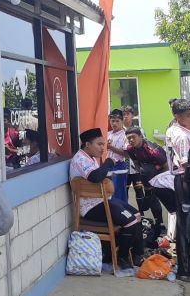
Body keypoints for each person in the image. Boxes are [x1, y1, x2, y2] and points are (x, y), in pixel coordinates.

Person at [69, 128, 145, 268]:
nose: (102, 148)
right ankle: (121, 257)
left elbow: (101, 176)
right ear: (87, 145)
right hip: (90, 207)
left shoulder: (90, 157)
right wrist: (109, 162)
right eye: (99, 144)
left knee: (137, 215)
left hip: (102, 201)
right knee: (130, 222)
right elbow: (95, 176)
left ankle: (138, 254)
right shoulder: (80, 158)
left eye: (103, 144)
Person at [125, 127, 174, 239]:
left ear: (141, 137)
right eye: (129, 138)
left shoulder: (152, 150)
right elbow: (136, 163)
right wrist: (143, 173)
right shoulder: (130, 149)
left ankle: (162, 225)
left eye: (133, 137)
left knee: (163, 201)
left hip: (162, 175)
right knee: (149, 201)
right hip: (147, 176)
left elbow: (167, 167)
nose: (131, 140)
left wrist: (159, 181)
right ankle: (157, 223)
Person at [107, 109, 130, 202]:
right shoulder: (107, 134)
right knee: (109, 194)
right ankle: (112, 215)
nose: (114, 123)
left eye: (117, 121)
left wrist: (110, 147)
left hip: (119, 167)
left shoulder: (126, 135)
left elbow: (127, 154)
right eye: (112, 121)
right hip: (107, 167)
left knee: (119, 194)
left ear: (122, 121)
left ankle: (122, 214)